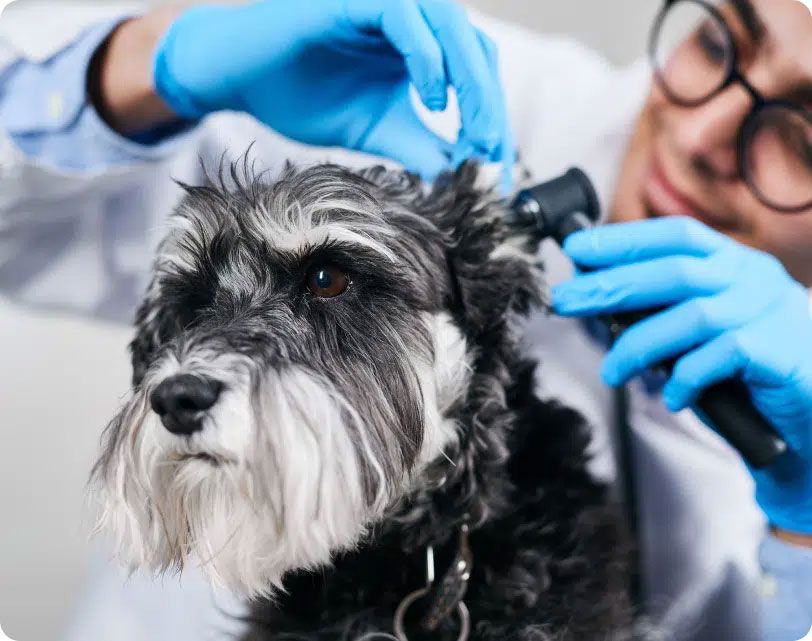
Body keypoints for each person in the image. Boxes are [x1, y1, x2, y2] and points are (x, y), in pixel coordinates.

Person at [0, 0, 809, 640]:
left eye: (801, 138)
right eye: (719, 41)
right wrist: (157, 63)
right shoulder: (422, 83)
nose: (702, 136)